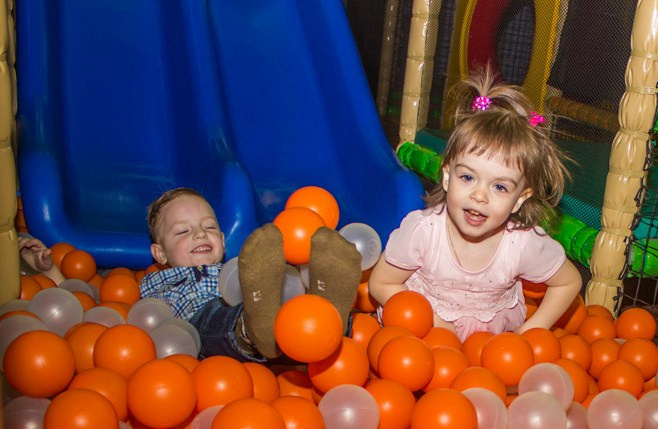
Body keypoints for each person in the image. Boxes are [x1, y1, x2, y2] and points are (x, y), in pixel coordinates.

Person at [367, 70, 582, 341]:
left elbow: (568, 281)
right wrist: (431, 322)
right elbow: (381, 282)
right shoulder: (424, 232)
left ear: (519, 199)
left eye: (500, 187)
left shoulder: (522, 244)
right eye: (468, 177)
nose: (480, 196)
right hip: (422, 335)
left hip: (489, 344)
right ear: (447, 177)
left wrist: (529, 331)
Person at [139, 187, 361, 361]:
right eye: (183, 231)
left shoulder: (243, 267)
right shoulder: (159, 281)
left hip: (268, 317)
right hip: (203, 327)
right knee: (208, 322)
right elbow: (151, 319)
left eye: (209, 227)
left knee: (284, 296)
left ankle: (324, 313)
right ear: (159, 253)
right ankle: (251, 329)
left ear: (223, 241)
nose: (200, 234)